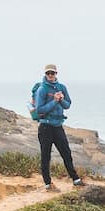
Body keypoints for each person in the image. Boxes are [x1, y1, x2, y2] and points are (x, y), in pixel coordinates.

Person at [29, 63, 86, 191]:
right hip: (45, 127)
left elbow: (67, 105)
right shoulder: (42, 89)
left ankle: (76, 179)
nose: (50, 75)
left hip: (58, 126)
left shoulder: (62, 87)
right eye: (48, 73)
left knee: (66, 153)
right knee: (46, 156)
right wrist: (54, 101)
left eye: (52, 73)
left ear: (56, 74)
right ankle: (48, 184)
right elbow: (40, 110)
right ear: (45, 74)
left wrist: (61, 100)